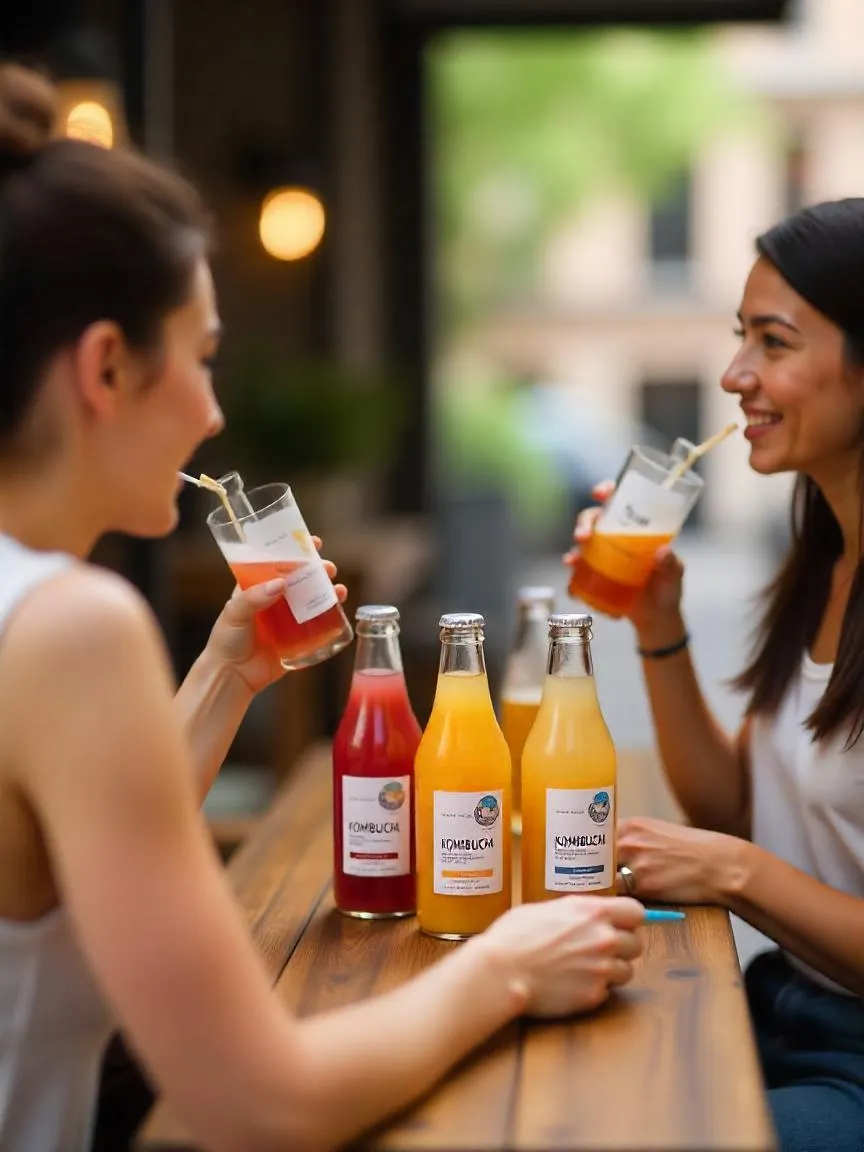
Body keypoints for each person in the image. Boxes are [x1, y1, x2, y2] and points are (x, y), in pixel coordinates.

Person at [0, 62, 647, 1152]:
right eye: (202, 358)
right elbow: (263, 1103)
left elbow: (53, 855)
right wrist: (505, 963)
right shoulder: (73, 623)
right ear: (106, 369)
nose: (211, 414)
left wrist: (224, 674)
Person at [568, 198, 864, 1152]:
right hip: (777, 1008)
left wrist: (735, 876)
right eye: (742, 339)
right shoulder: (823, 562)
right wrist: (658, 628)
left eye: (773, 343)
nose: (735, 376)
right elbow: (730, 805)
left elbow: (732, 850)